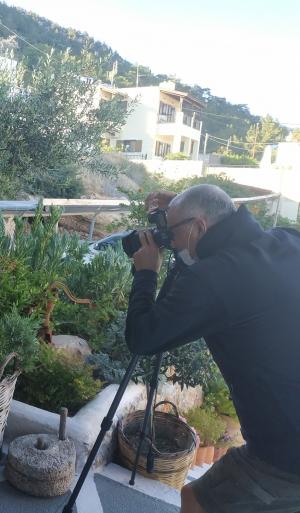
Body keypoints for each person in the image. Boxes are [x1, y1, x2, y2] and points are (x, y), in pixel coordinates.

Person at [125, 184, 300, 513]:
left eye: (172, 233)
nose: (170, 242)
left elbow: (143, 337)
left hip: (286, 450)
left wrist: (147, 272)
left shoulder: (216, 277)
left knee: (197, 501)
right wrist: (182, 210)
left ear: (199, 227)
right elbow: (226, 222)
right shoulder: (286, 239)